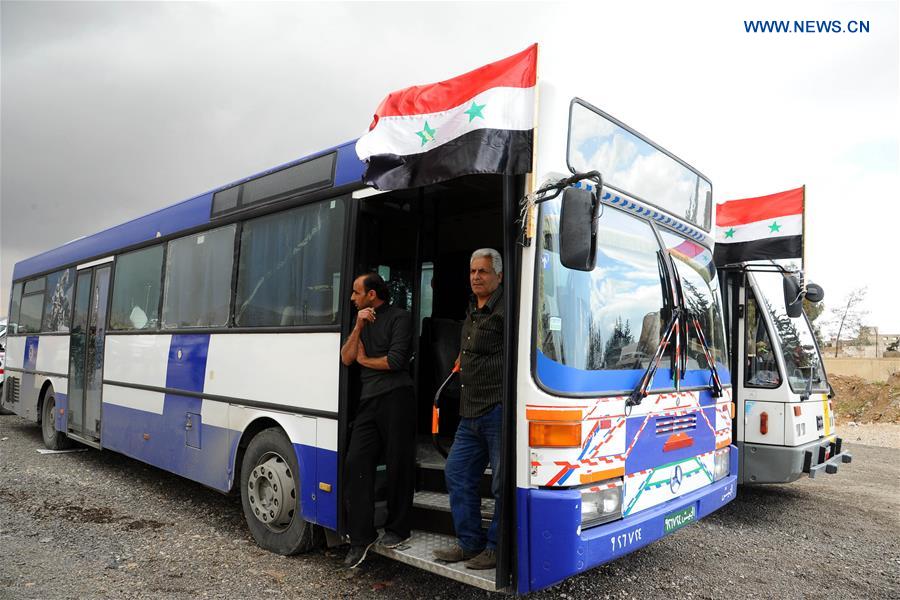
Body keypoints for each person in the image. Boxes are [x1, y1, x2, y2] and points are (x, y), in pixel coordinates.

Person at [433, 248, 504, 570]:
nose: (476, 277)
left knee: (503, 484)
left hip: (498, 411)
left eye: (483, 272)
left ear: (498, 276)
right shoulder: (472, 312)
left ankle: (495, 548)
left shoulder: (507, 311)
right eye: (473, 271)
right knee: (457, 473)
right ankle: (469, 543)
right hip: (469, 412)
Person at [340, 272, 415, 569]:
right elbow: (346, 358)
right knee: (355, 461)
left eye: (356, 292)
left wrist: (365, 361)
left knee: (399, 463)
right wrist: (358, 327)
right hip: (368, 401)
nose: (352, 297)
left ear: (372, 294)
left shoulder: (400, 318)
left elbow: (395, 362)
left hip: (398, 397)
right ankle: (361, 537)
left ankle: (397, 529)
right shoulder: (359, 322)